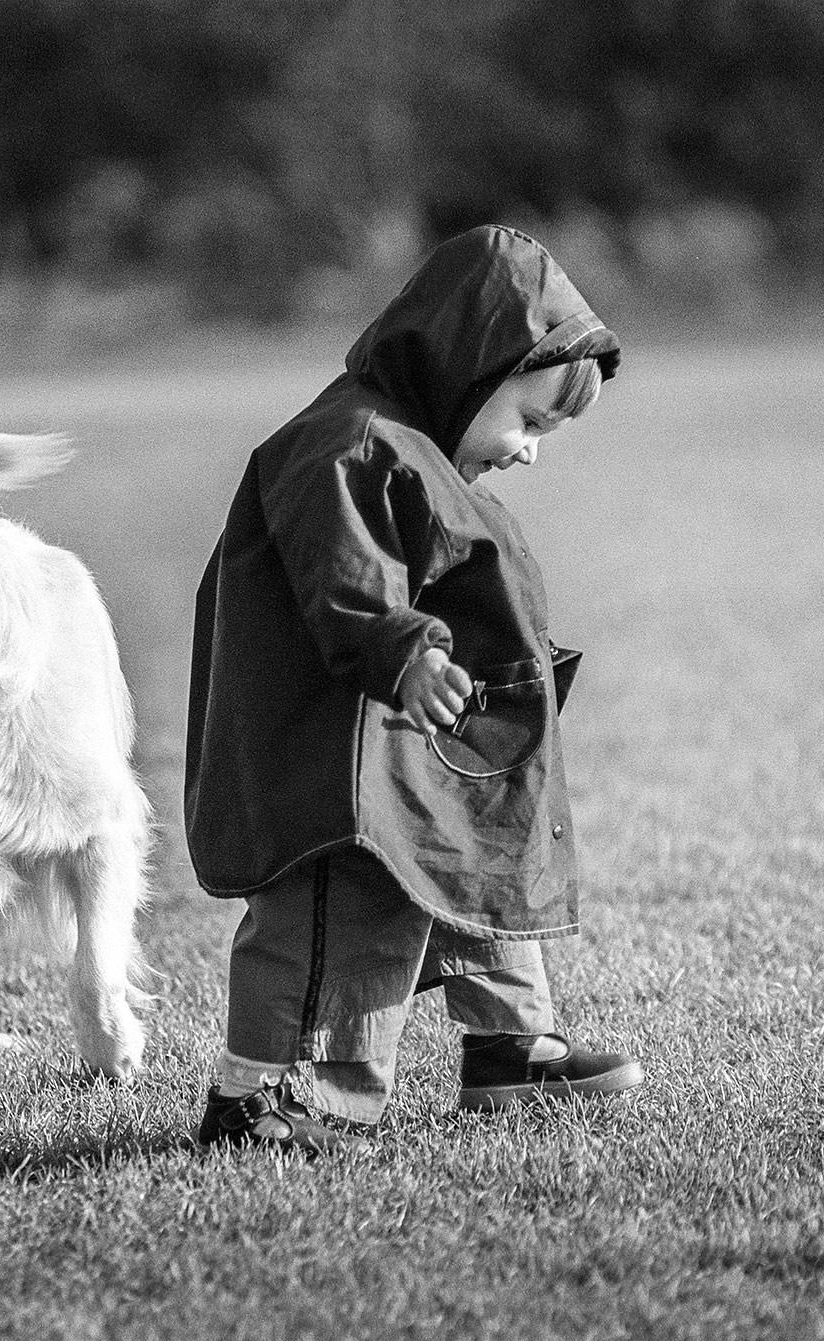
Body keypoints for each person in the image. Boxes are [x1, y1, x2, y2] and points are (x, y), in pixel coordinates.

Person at [183, 224, 643, 1152]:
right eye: (529, 421)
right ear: (471, 365)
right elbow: (344, 571)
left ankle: (512, 1047)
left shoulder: (422, 447)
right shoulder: (349, 444)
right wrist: (406, 652)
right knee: (339, 903)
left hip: (425, 735)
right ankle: (269, 1094)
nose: (529, 451)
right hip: (340, 745)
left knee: (474, 860)